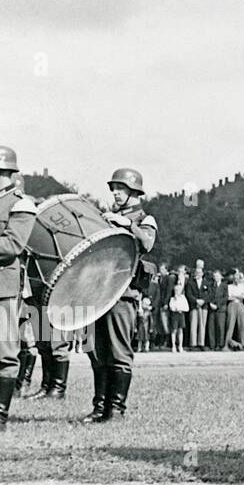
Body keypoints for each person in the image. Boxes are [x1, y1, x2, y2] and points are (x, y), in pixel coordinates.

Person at [82, 168, 158, 424]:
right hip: (101, 290)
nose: (114, 193)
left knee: (119, 351)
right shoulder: (108, 216)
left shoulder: (145, 218)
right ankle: (100, 407)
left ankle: (116, 409)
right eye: (113, 188)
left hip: (124, 293)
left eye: (120, 189)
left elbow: (147, 243)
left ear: (134, 191)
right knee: (97, 351)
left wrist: (130, 225)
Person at [0, 147, 36, 430]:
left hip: (0, 290)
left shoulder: (21, 204)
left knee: (2, 354)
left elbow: (12, 246)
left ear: (2, 170)